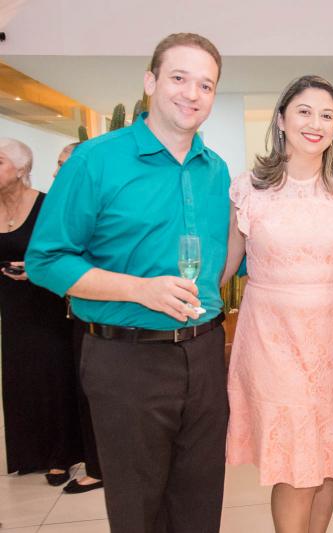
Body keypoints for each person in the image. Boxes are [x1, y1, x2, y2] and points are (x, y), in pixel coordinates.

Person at [26, 33, 230, 533]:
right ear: (150, 82)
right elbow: (46, 260)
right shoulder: (94, 160)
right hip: (126, 359)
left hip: (205, 354)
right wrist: (140, 289)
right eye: (179, 78)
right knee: (138, 509)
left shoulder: (216, 171)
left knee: (201, 503)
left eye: (205, 85)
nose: (192, 93)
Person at [223, 75, 333, 533]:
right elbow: (225, 267)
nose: (316, 123)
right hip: (272, 341)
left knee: (328, 457)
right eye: (304, 111)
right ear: (281, 120)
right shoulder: (248, 188)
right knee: (295, 464)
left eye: (327, 115)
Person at [0, 138, 82, 484]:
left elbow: (68, 254)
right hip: (12, 306)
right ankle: (29, 453)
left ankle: (61, 455)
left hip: (48, 303)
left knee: (54, 376)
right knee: (19, 377)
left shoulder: (47, 206)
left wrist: (35, 271)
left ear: (22, 169)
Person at [52, 141, 105, 494]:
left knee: (91, 392)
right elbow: (49, 257)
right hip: (70, 309)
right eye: (58, 164)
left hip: (99, 313)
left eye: (65, 163)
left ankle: (98, 465)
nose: (60, 171)